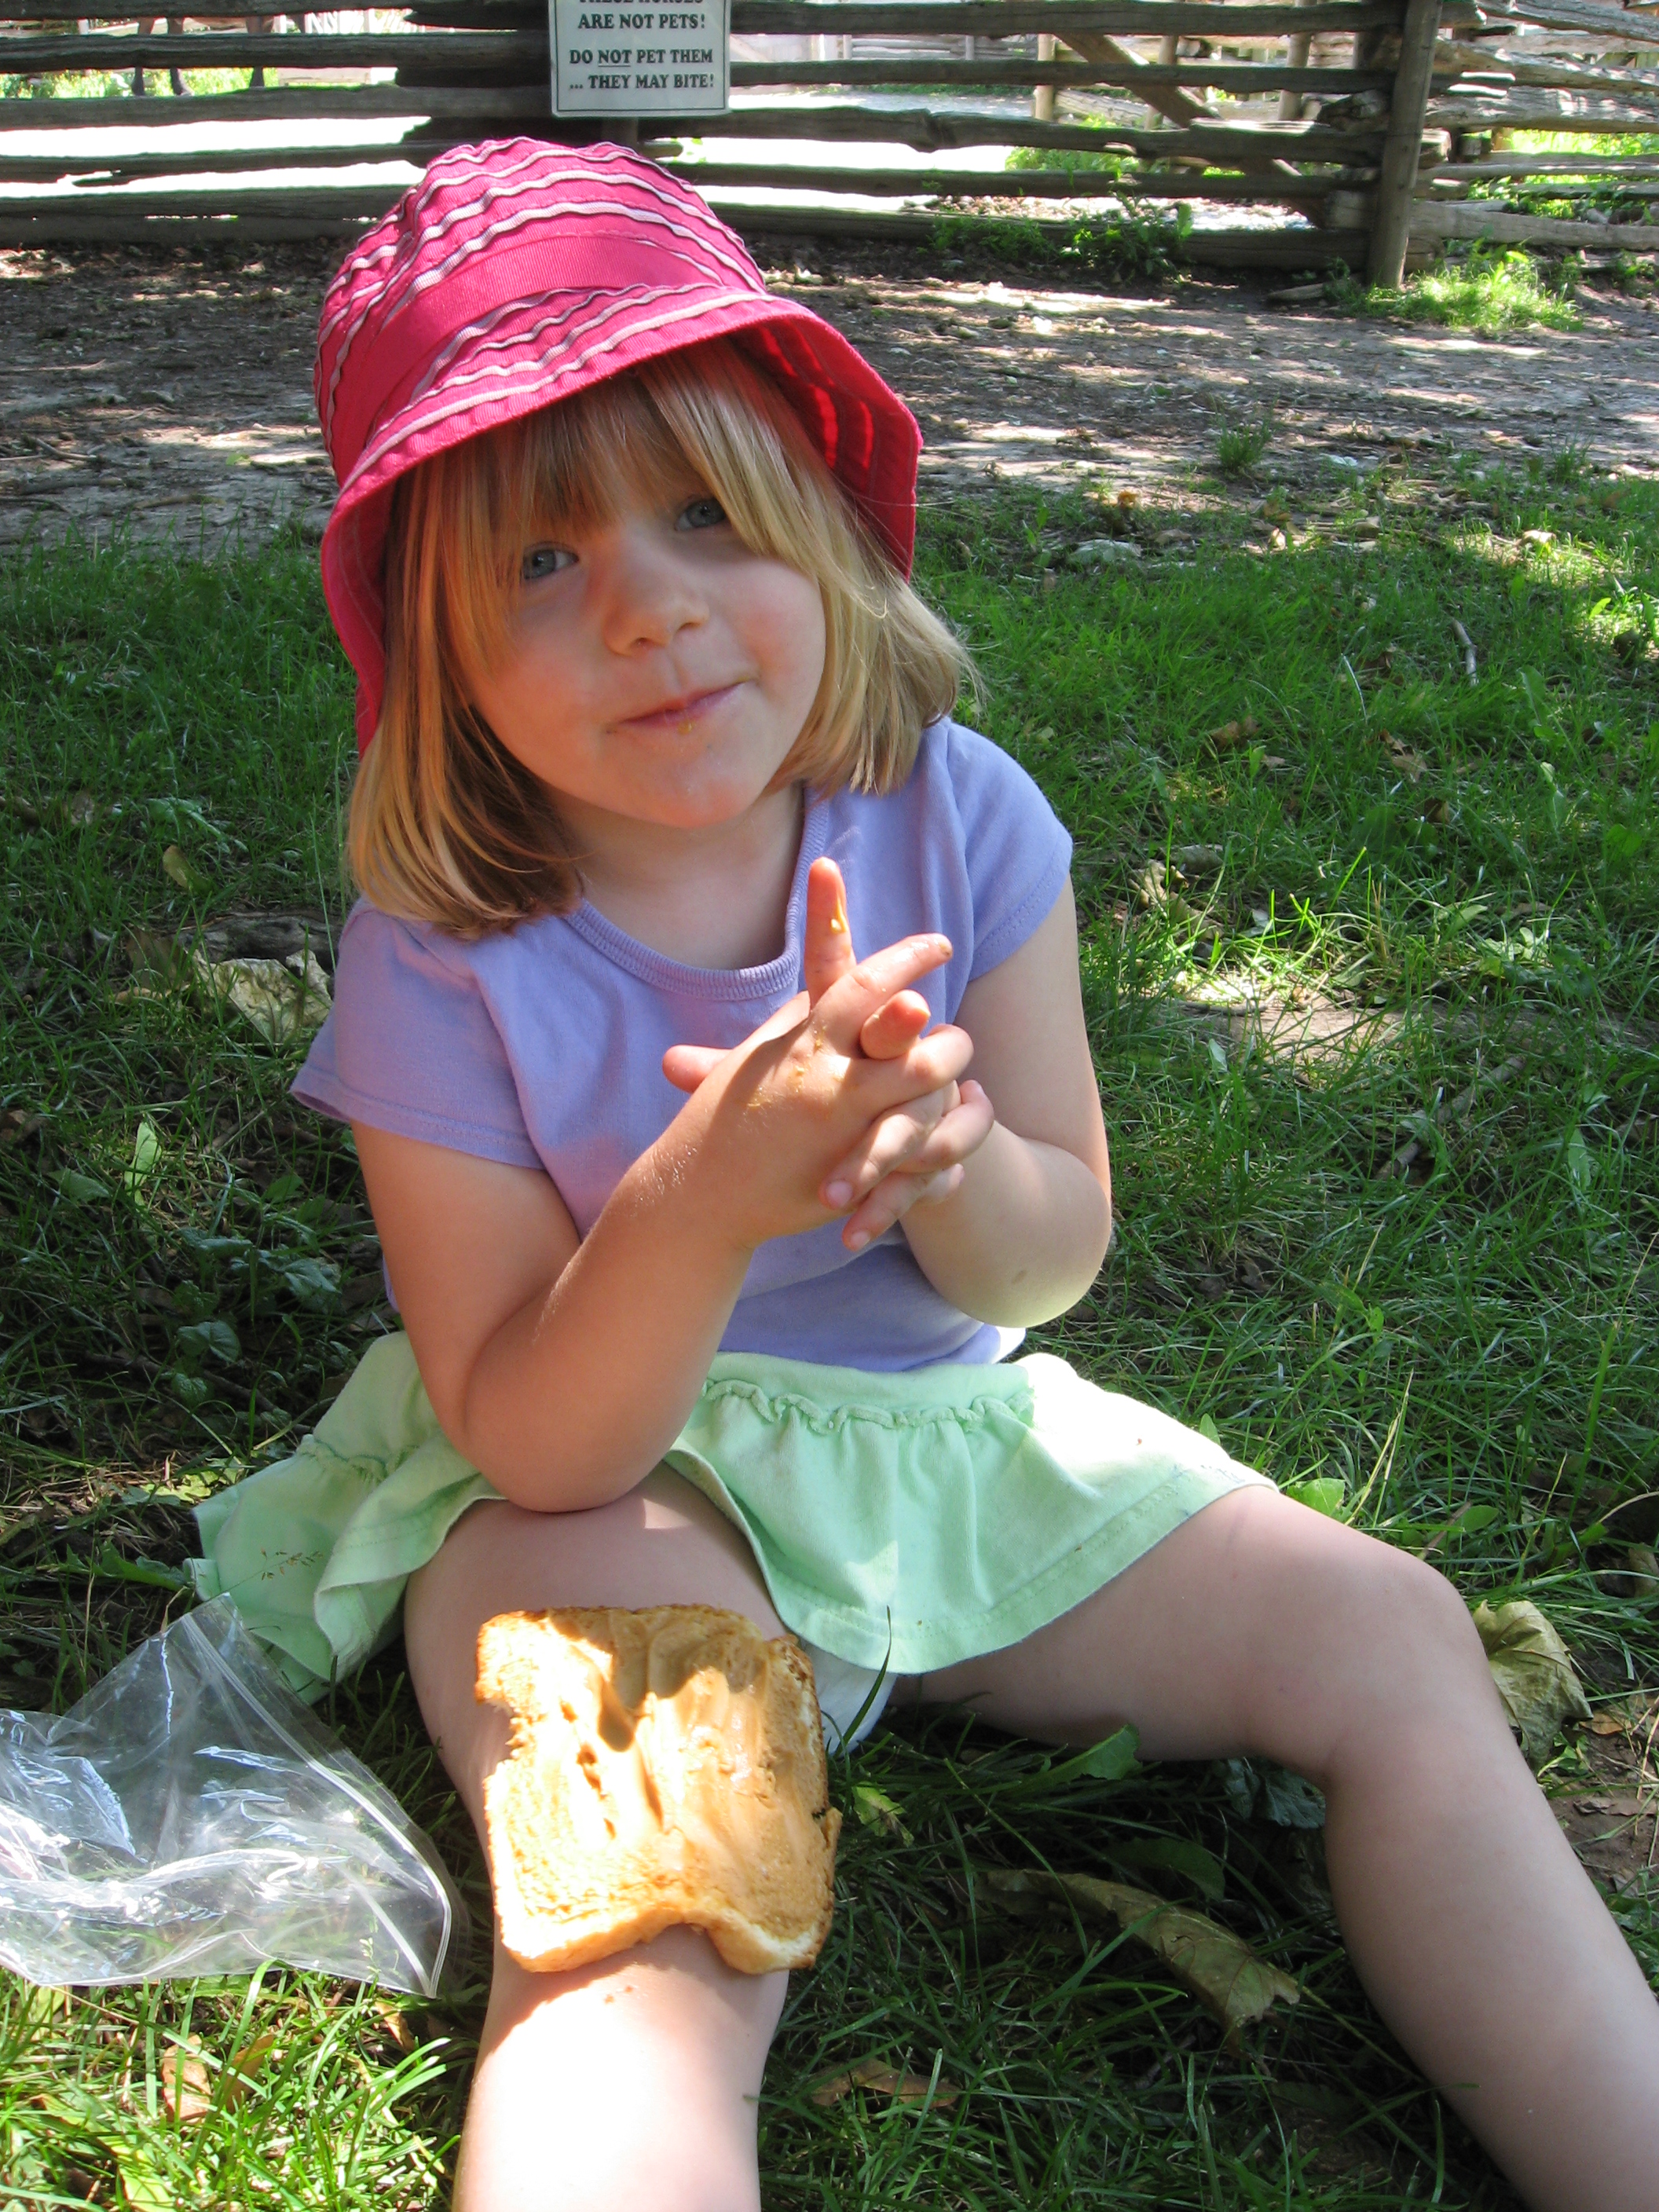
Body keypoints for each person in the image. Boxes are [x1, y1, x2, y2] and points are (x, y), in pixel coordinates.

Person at [192, 137, 1659, 2212]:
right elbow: (531, 1431)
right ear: (435, 657)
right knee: (666, 1859)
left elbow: (1051, 1264)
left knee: (1396, 1638)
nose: (646, 604)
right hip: (611, 1488)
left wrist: (956, 1158)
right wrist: (702, 1198)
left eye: (707, 514)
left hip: (943, 1445)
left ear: (817, 519)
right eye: (537, 564)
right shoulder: (445, 946)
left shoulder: (954, 814)